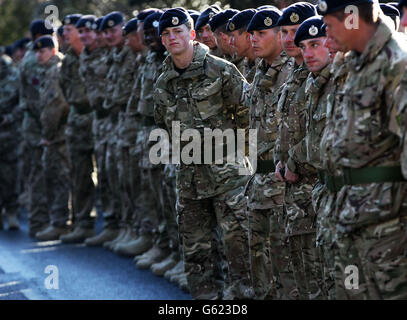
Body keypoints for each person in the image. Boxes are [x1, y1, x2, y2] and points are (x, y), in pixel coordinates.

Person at [154, 8, 252, 300]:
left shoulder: (220, 69)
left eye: (178, 32)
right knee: (196, 254)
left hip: (228, 177)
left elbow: (248, 114)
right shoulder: (163, 82)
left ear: (192, 34)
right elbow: (163, 125)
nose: (173, 38)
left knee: (238, 249)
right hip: (189, 179)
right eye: (167, 34)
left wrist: (239, 158)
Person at [318, 0, 407, 299]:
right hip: (351, 218)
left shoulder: (397, 61)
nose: (327, 34)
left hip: (387, 230)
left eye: (330, 25)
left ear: (352, 18)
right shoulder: (357, 62)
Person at [243, 8, 293, 300]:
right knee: (260, 267)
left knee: (284, 267)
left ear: (279, 34)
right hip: (258, 182)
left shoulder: (292, 71)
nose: (254, 40)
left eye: (262, 33)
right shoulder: (259, 69)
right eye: (252, 34)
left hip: (281, 184)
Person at [273, 2, 318, 300]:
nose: (289, 39)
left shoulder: (318, 75)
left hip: (313, 193)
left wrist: (293, 160)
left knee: (319, 281)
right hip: (293, 195)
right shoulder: (295, 75)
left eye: (295, 32)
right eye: (284, 32)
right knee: (302, 281)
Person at [60, 15, 103, 243]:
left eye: (70, 30)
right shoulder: (68, 59)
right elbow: (64, 89)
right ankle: (83, 222)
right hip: (77, 120)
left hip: (98, 116)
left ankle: (115, 225)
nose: (67, 34)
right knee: (79, 173)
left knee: (107, 172)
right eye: (65, 30)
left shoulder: (101, 53)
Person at [34, 35, 71, 241]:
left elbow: (56, 106)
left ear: (53, 51)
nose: (39, 55)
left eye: (43, 51)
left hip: (59, 135)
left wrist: (48, 135)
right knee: (55, 177)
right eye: (37, 52)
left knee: (60, 178)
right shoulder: (49, 71)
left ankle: (61, 222)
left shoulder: (56, 71)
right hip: (56, 134)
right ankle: (59, 221)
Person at [20, 19, 54, 237]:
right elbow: (38, 99)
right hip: (37, 124)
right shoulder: (35, 60)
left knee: (37, 173)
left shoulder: (28, 57)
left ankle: (40, 220)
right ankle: (39, 222)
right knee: (39, 174)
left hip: (34, 123)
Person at [0, 52, 21, 231]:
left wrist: (10, 117)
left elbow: (23, 101)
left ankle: (11, 212)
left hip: (8, 134)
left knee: (9, 174)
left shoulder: (13, 75)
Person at [227, 9, 258, 82]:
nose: (230, 42)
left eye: (233, 36)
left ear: (247, 37)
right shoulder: (248, 64)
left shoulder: (265, 64)